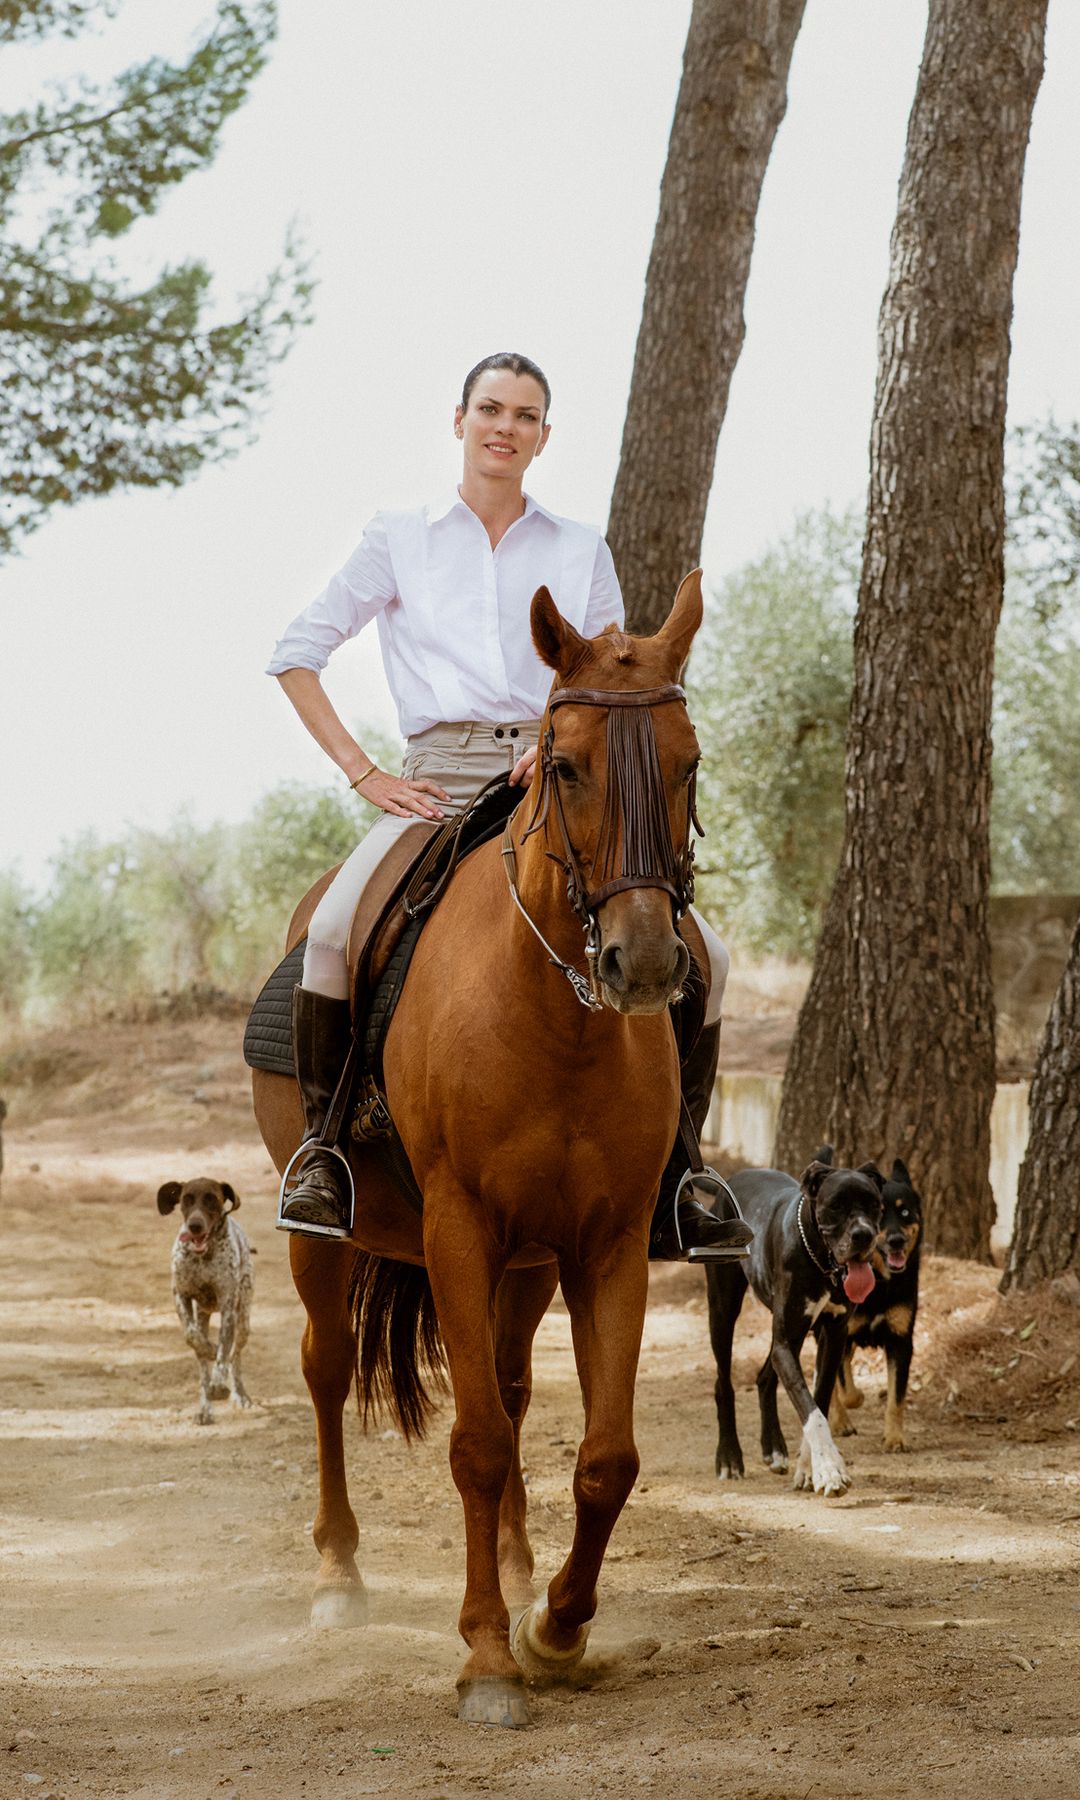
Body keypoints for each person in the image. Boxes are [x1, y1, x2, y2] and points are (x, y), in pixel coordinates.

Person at [267, 352, 733, 1255]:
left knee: (707, 951)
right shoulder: (399, 536)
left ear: (543, 437)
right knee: (328, 933)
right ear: (459, 420)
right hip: (433, 782)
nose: (504, 427)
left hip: (551, 776)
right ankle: (323, 1153)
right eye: (491, 409)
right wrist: (366, 774)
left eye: (524, 416)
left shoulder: (577, 548)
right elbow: (297, 651)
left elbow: (607, 673)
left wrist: (553, 745)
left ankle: (683, 1170)